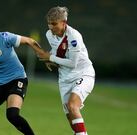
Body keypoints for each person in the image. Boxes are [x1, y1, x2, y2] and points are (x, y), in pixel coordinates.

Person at [39, 6, 95, 135]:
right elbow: (58, 51)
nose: (51, 27)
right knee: (70, 117)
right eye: (49, 24)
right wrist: (51, 60)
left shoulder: (74, 36)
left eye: (54, 24)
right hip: (64, 79)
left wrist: (51, 57)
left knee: (72, 106)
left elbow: (73, 63)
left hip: (83, 73)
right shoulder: (49, 34)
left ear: (64, 23)